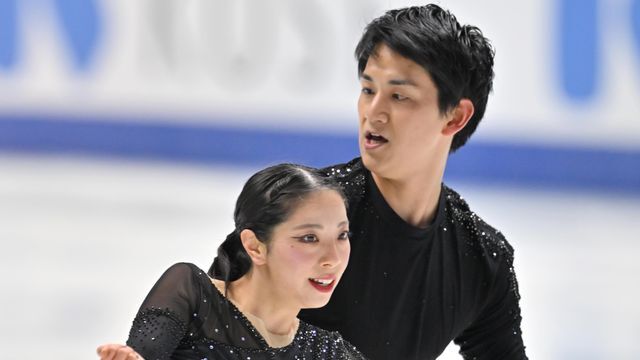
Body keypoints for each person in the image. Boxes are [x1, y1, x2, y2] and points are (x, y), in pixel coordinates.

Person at [298, 4, 528, 360]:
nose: (373, 113)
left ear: (455, 116)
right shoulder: (297, 214)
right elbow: (209, 335)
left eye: (399, 96)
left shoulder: (481, 260)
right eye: (368, 90)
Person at [96, 164, 367, 360]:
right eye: (309, 238)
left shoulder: (328, 352)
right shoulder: (193, 295)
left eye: (342, 235)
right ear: (255, 246)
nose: (333, 258)